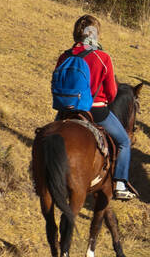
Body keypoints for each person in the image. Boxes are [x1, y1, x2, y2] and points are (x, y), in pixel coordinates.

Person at [54, 15, 136, 200]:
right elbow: (112, 92)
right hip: (96, 110)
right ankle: (121, 183)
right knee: (124, 142)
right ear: (95, 34)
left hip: (66, 109)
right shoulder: (103, 57)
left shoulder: (64, 55)